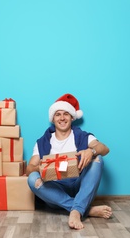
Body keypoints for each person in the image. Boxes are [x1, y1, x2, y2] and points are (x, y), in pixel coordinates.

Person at [26, 93, 112, 230]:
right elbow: (29, 168)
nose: (62, 118)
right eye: (58, 114)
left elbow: (104, 148)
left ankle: (77, 209)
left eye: (66, 114)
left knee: (98, 158)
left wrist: (91, 151)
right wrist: (40, 168)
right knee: (32, 178)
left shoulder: (82, 136)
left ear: (72, 117)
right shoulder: (42, 142)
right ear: (53, 119)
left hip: (80, 186)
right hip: (55, 191)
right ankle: (84, 209)